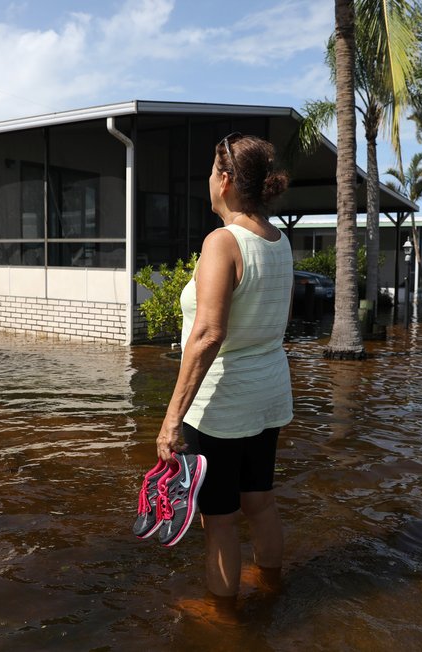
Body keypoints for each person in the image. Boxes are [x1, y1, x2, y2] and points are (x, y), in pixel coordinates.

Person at [156, 132, 293, 619]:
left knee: (219, 520)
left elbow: (208, 334)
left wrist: (172, 418)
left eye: (214, 172)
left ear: (228, 180)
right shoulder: (278, 239)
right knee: (260, 501)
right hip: (268, 393)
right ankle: (272, 586)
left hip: (221, 404)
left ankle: (223, 617)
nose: (209, 182)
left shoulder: (223, 241)